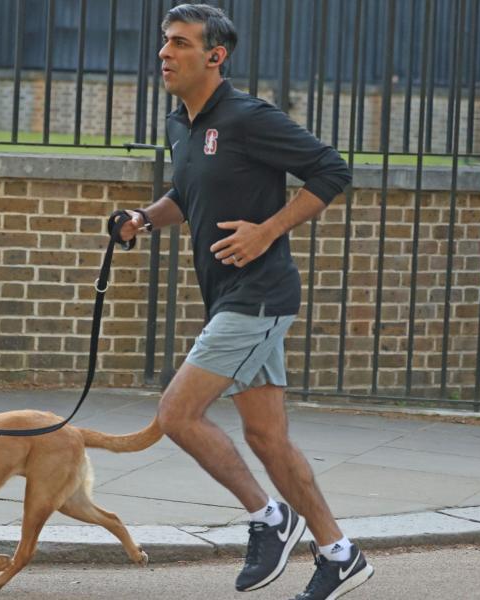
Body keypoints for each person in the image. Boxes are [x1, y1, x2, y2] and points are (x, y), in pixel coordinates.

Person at [114, 4, 373, 599]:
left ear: (214, 56)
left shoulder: (249, 117)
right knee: (267, 438)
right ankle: (339, 552)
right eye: (164, 42)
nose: (164, 53)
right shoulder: (182, 122)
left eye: (179, 43)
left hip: (258, 296)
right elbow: (187, 190)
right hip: (231, 297)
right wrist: (143, 220)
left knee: (176, 414)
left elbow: (330, 171)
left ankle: (269, 518)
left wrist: (268, 229)